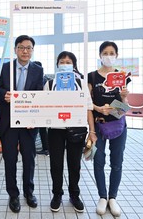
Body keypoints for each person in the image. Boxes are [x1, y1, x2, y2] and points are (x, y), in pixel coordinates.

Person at [0, 35, 44, 213]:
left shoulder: (38, 70)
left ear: (32, 50)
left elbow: (40, 94)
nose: (25, 51)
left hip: (29, 123)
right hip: (8, 121)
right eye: (21, 47)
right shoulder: (5, 68)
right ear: (15, 49)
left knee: (29, 160)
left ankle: (28, 192)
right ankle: (13, 194)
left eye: (29, 48)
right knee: (10, 160)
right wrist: (4, 94)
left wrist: (35, 119)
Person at [45, 51, 97, 213]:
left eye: (68, 62)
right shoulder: (50, 83)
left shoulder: (81, 83)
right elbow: (43, 106)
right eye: (62, 61)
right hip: (55, 130)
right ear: (57, 64)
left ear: (74, 65)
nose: (65, 64)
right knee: (56, 164)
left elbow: (89, 108)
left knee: (74, 164)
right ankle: (57, 194)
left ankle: (74, 194)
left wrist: (92, 131)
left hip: (77, 129)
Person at [88, 41, 130, 217]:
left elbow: (125, 107)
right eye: (105, 52)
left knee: (117, 162)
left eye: (112, 53)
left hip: (119, 125)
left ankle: (113, 197)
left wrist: (122, 98)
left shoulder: (122, 76)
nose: (108, 55)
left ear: (117, 56)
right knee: (98, 161)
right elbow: (87, 105)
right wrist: (94, 124)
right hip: (99, 124)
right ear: (100, 56)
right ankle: (102, 196)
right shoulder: (91, 77)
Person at [33, 61, 49, 156]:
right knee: (42, 130)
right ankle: (45, 148)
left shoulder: (42, 80)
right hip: (41, 108)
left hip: (40, 108)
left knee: (41, 130)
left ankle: (46, 148)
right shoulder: (45, 79)